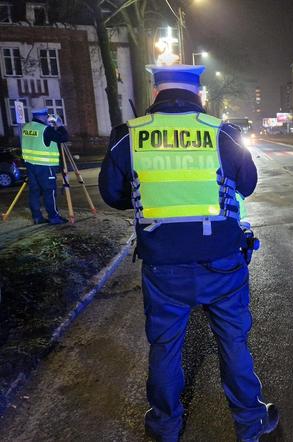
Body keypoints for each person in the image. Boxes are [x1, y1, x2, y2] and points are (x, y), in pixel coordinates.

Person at [98, 64, 278, 442]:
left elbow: (113, 196)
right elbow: (247, 184)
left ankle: (165, 426)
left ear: (154, 92)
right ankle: (250, 423)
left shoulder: (126, 136)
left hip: (163, 267)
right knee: (233, 342)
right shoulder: (223, 133)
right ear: (199, 96)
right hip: (223, 263)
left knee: (165, 347)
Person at [20, 107, 68, 224]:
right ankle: (53, 217)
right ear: (42, 116)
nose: (48, 118)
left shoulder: (26, 127)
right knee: (49, 191)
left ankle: (37, 217)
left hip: (30, 165)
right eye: (47, 116)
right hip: (45, 166)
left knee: (34, 191)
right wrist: (60, 125)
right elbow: (64, 138)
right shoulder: (45, 129)